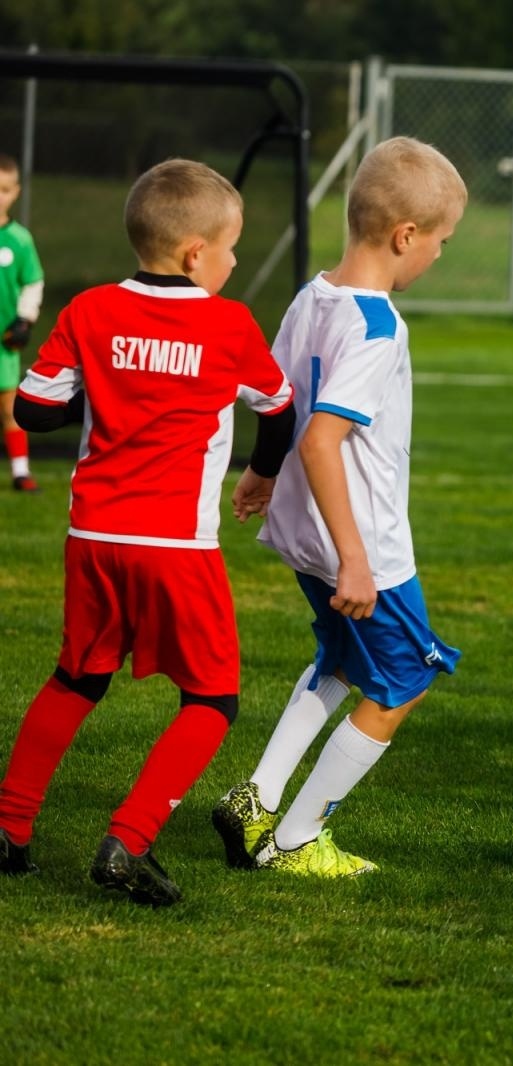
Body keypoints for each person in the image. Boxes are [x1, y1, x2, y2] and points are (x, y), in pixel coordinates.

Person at [0, 160, 294, 906]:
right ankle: (128, 840)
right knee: (212, 699)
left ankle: (10, 829)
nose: (234, 262)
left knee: (77, 677)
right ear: (196, 253)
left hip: (92, 535)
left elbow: (32, 410)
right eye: (232, 248)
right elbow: (279, 410)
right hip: (176, 547)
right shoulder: (228, 323)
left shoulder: (92, 309)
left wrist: (111, 396)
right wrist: (260, 474)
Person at [211, 137, 466, 878]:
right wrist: (358, 559)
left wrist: (261, 474)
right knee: (402, 682)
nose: (439, 257)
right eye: (442, 243)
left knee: (340, 660)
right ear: (405, 237)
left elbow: (278, 400)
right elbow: (323, 440)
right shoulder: (379, 326)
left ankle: (255, 796)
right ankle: (296, 839)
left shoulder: (312, 294)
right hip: (362, 547)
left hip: (302, 532)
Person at [0, 153, 46, 492]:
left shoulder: (20, 239)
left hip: (3, 343)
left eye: (4, 189)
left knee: (8, 406)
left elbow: (33, 281)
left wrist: (24, 320)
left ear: (15, 192)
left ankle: (20, 472)